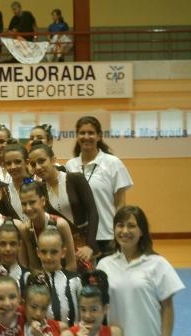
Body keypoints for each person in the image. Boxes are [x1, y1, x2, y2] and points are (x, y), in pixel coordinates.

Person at [98, 206, 185, 336]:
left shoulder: (157, 263)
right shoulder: (104, 265)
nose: (125, 231)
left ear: (142, 231)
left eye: (131, 226)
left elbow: (168, 308)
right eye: (120, 225)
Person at [65, 116, 133, 257]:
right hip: (80, 237)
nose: (86, 137)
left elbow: (120, 203)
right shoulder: (70, 165)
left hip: (107, 234)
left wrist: (119, 231)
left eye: (91, 133)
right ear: (77, 136)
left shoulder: (113, 163)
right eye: (82, 133)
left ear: (99, 136)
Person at [28, 141, 99, 269]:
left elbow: (93, 211)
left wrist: (89, 245)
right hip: (61, 252)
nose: (37, 167)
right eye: (33, 164)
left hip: (84, 249)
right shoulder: (39, 189)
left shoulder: (76, 179)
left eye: (41, 161)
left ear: (53, 159)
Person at [18, 180, 77, 272]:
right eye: (24, 204)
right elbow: (34, 266)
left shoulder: (60, 225)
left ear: (42, 201)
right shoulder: (25, 229)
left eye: (32, 202)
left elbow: (72, 265)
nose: (28, 208)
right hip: (44, 278)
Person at [35, 227, 82, 326]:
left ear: (63, 252)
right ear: (38, 253)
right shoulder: (33, 281)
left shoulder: (75, 280)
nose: (48, 257)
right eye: (44, 252)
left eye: (54, 252)